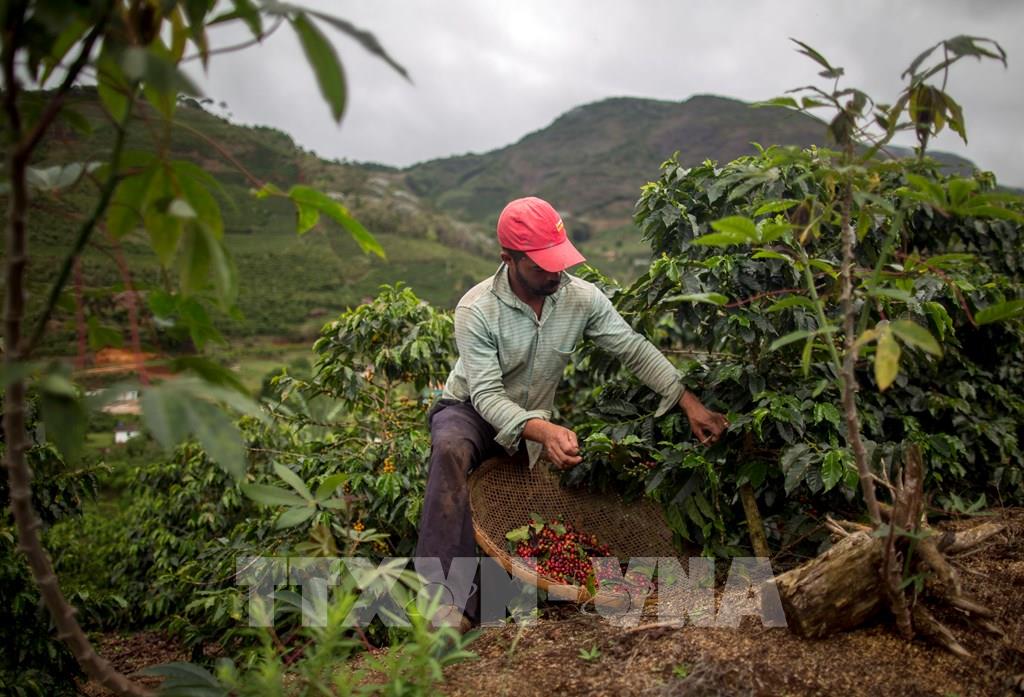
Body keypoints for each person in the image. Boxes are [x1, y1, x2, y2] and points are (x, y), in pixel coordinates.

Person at [414, 196, 728, 632]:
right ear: (509, 259)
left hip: (529, 418)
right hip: (470, 410)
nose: (555, 273)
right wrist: (543, 431)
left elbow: (632, 348)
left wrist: (689, 402)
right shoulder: (476, 308)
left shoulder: (580, 298)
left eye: (559, 262)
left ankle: (485, 613)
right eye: (542, 266)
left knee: (508, 513)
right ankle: (443, 605)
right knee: (451, 449)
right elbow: (486, 395)